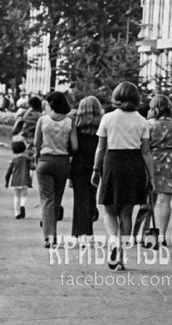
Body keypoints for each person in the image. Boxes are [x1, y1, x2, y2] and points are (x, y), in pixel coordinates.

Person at [91, 82, 153, 271]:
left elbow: (101, 147)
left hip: (113, 163)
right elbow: (146, 152)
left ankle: (113, 242)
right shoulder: (142, 121)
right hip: (134, 165)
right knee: (126, 213)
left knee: (109, 210)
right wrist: (151, 176)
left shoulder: (108, 118)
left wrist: (95, 169)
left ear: (116, 97)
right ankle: (122, 258)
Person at [35, 91, 77, 247]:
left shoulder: (42, 120)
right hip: (62, 162)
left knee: (47, 200)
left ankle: (49, 237)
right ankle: (54, 233)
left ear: (51, 104)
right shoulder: (69, 122)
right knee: (57, 199)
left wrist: (37, 156)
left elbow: (36, 143)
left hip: (45, 161)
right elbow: (75, 146)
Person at [147, 95, 172, 246]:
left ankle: (146, 230)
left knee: (150, 199)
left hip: (153, 161)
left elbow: (145, 146)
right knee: (165, 201)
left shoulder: (150, 125)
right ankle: (162, 235)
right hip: (170, 162)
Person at [70, 95, 103, 237]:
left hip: (79, 165)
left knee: (79, 199)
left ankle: (80, 231)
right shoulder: (101, 128)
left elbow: (73, 148)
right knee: (91, 197)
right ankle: (88, 227)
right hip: (95, 165)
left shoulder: (76, 128)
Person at [5, 139, 32, 219]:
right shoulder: (27, 158)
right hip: (25, 180)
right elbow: (33, 167)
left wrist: (7, 181)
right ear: (24, 149)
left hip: (15, 180)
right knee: (24, 195)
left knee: (16, 196)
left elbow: (9, 172)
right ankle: (22, 206)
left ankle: (17, 213)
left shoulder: (13, 159)